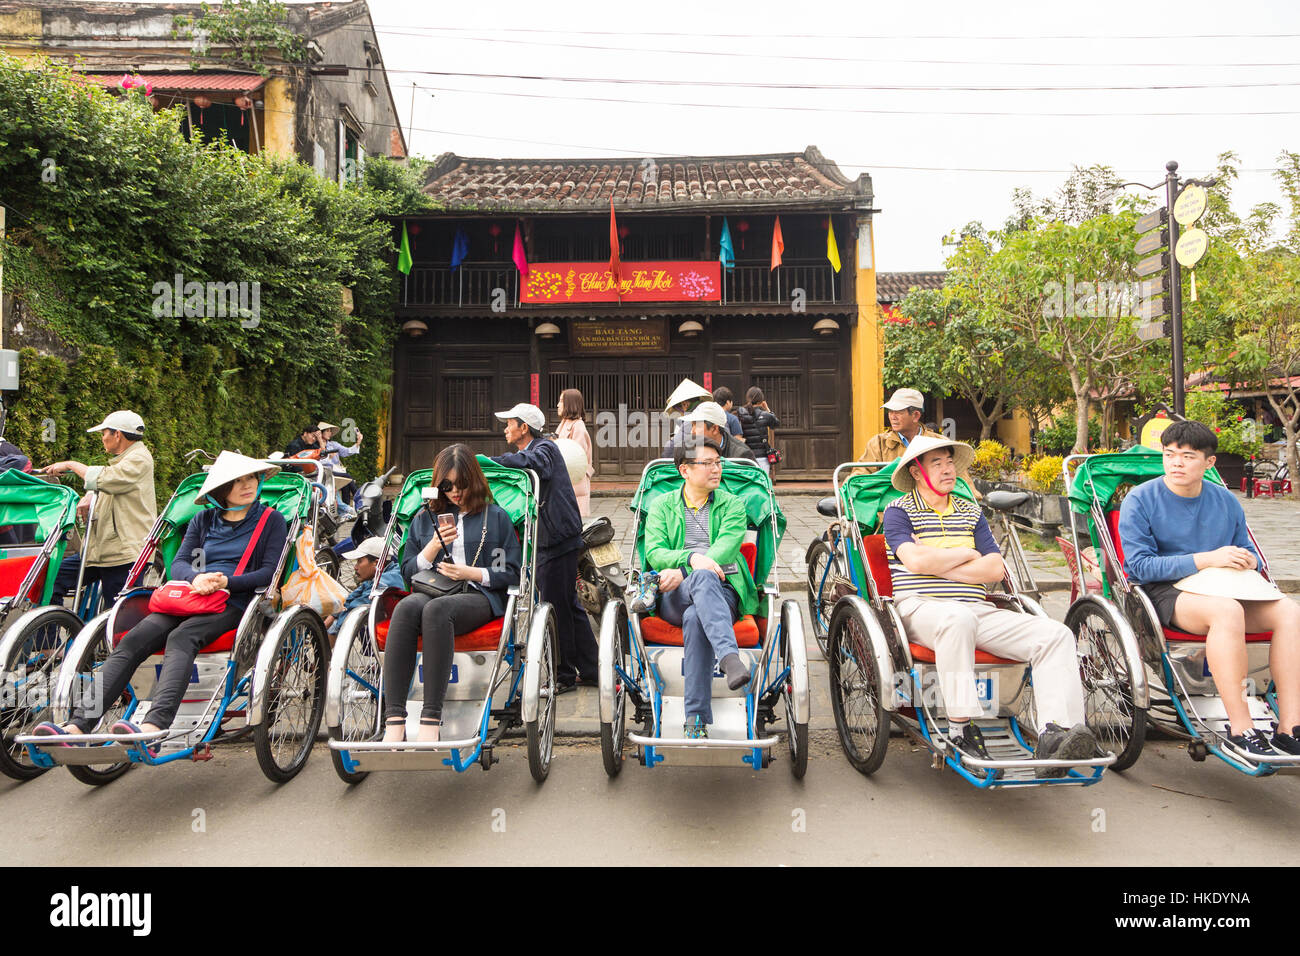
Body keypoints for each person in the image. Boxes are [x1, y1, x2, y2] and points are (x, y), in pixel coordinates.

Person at [35, 451, 287, 744]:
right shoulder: (203, 520)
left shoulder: (271, 520)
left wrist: (226, 581)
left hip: (235, 602)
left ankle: (155, 724)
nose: (248, 485)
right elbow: (180, 564)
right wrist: (196, 578)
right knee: (131, 640)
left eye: (251, 478)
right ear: (222, 489)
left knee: (181, 637)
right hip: (189, 596)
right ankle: (78, 725)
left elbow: (270, 572)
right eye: (237, 481)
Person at [881, 435, 1098, 775]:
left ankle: (1057, 733)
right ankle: (960, 729)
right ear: (917, 472)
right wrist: (967, 555)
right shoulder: (898, 511)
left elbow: (995, 568)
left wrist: (940, 559)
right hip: (920, 607)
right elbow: (914, 562)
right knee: (957, 618)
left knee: (1055, 635)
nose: (947, 469)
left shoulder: (971, 511)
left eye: (949, 461)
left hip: (977, 609)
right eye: (936, 463)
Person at [1118, 420, 1300, 758]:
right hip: (1167, 592)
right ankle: (1241, 725)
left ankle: (1291, 726)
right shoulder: (1140, 500)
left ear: (1209, 463)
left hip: (1226, 585)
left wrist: (1248, 561)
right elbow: (1140, 566)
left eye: (1187, 456)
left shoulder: (1224, 500)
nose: (1176, 463)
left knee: (1290, 612)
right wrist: (1205, 559)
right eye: (1169, 455)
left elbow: (1248, 549)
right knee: (1226, 611)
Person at [381, 444, 520, 743]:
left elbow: (509, 572)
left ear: (475, 480)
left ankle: (431, 717)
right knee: (405, 608)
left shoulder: (494, 518)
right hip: (432, 589)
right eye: (447, 486)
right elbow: (407, 572)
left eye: (462, 484)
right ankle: (394, 719)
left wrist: (469, 572)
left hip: (477, 595)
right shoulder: (424, 519)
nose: (455, 492)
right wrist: (431, 547)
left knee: (437, 611)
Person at [644, 439, 757, 739]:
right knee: (702, 578)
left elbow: (727, 547)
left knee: (698, 613)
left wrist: (685, 570)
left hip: (723, 592)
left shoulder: (732, 505)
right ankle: (729, 658)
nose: (716, 469)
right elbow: (654, 551)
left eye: (718, 462)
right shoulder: (662, 506)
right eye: (707, 463)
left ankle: (694, 717)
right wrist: (690, 560)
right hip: (673, 597)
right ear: (685, 470)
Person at [491, 403, 597, 692]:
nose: (506, 429)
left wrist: (490, 462)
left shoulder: (545, 449)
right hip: (552, 537)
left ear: (524, 427)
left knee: (553, 606)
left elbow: (531, 462)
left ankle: (563, 675)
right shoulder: (537, 449)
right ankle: (591, 669)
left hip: (556, 539)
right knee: (568, 605)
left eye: (509, 423)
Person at [40, 410, 156, 609]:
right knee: (50, 579)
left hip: (123, 554)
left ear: (117, 434)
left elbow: (107, 479)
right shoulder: (125, 459)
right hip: (100, 552)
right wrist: (92, 495)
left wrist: (71, 464)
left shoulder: (139, 458)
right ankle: (51, 636)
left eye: (104, 433)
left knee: (118, 616)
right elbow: (114, 485)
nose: (102, 438)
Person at [323, 536, 404, 636]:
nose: (355, 567)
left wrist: (334, 626)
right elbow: (352, 597)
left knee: (351, 620)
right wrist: (331, 619)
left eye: (359, 561)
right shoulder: (380, 576)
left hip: (399, 635)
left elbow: (354, 608)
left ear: (377, 563)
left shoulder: (383, 582)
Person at [555, 388, 594, 517]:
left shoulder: (578, 426)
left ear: (569, 404)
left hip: (574, 481)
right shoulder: (564, 423)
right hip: (565, 480)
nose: (558, 405)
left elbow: (576, 458)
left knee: (573, 519)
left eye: (561, 401)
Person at [317, 421, 363, 517]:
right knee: (347, 477)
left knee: (345, 481)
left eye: (330, 431)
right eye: (328, 431)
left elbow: (347, 451)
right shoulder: (315, 445)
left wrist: (358, 442)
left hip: (336, 471)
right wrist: (328, 456)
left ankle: (345, 512)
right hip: (324, 473)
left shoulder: (333, 444)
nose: (330, 433)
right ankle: (358, 501)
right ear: (321, 432)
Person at [682, 401, 755, 460]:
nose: (692, 431)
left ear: (714, 429)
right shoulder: (691, 449)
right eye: (692, 425)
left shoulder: (741, 455)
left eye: (697, 426)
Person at [735, 386, 781, 475]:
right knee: (763, 483)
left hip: (746, 456)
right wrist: (768, 409)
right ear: (761, 400)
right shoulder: (766, 415)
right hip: (762, 456)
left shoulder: (740, 413)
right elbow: (776, 424)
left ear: (748, 398)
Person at [661, 378, 712, 456]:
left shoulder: (693, 419)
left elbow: (670, 449)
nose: (680, 412)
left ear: (685, 404)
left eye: (680, 408)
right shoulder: (709, 413)